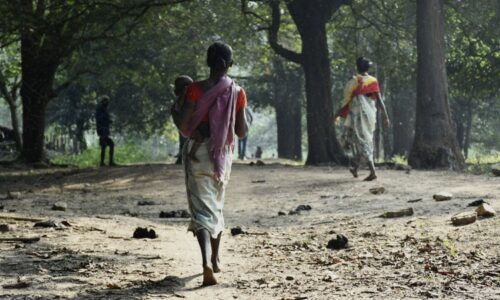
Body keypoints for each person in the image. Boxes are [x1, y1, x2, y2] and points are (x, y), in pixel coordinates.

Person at [176, 42, 248, 286]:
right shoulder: (237, 92)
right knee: (216, 205)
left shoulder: (194, 90)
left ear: (208, 62)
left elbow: (184, 127)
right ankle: (216, 260)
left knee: (200, 210)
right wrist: (241, 111)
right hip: (222, 155)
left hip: (197, 155)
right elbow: (240, 131)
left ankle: (206, 261)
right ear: (229, 64)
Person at [334, 57, 390, 181]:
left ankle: (372, 171)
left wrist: (337, 115)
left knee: (363, 141)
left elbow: (345, 102)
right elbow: (380, 100)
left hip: (358, 117)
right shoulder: (372, 81)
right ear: (368, 67)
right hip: (368, 116)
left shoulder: (353, 82)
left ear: (357, 67)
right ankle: (355, 167)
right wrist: (385, 116)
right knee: (359, 141)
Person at [171, 75, 194, 165]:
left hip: (192, 131)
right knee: (184, 141)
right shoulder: (180, 102)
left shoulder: (194, 100)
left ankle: (184, 156)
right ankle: (183, 156)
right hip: (186, 129)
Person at [95, 95, 116, 167]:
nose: (107, 103)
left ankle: (109, 162)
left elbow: (105, 119)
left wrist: (109, 121)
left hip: (105, 130)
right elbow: (100, 119)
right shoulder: (100, 109)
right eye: (106, 101)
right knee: (105, 145)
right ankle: (103, 162)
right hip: (102, 130)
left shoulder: (104, 109)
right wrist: (106, 120)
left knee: (110, 145)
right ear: (103, 101)